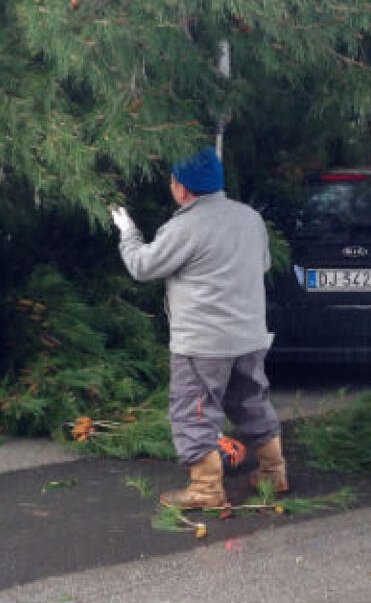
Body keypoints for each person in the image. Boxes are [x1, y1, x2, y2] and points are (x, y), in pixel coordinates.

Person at [110, 147, 286, 509]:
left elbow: (143, 267)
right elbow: (263, 264)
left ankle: (206, 490)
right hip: (249, 335)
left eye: (173, 180)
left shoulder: (184, 227)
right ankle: (273, 472)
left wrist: (128, 233)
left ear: (182, 187)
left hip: (203, 343)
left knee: (194, 410)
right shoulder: (250, 218)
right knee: (251, 400)